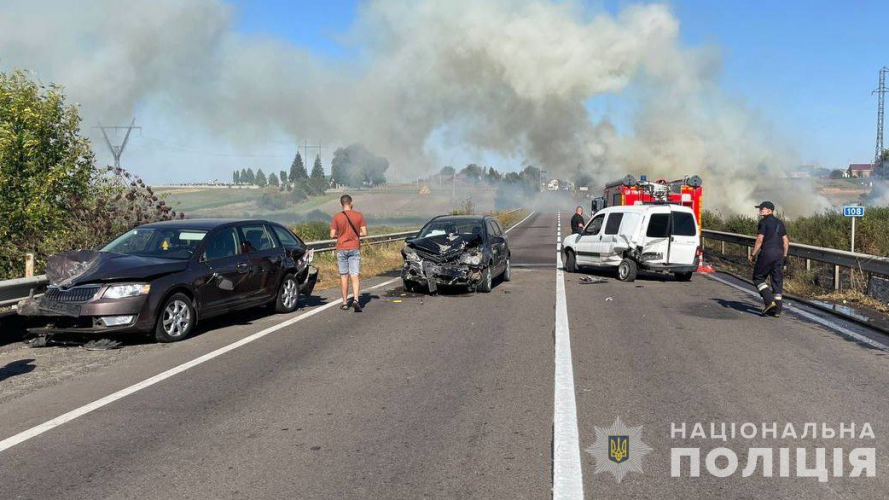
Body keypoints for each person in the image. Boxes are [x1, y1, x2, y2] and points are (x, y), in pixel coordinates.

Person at [749, 201, 789, 317]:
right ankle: (777, 310)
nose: (760, 210)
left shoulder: (763, 222)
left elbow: (760, 239)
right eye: (760, 208)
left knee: (758, 278)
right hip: (779, 254)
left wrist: (752, 254)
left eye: (763, 208)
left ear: (770, 210)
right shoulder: (779, 223)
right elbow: (786, 241)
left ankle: (769, 301)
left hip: (767, 253)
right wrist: (785, 256)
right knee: (776, 280)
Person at [330, 194, 367, 312]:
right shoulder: (359, 215)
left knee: (344, 276)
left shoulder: (337, 217)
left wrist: (340, 235)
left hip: (341, 248)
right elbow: (364, 233)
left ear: (341, 204)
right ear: (351, 203)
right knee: (354, 275)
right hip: (354, 247)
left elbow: (332, 235)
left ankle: (345, 303)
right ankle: (356, 299)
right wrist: (356, 235)